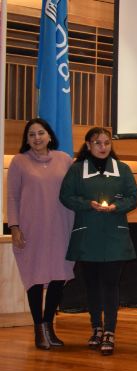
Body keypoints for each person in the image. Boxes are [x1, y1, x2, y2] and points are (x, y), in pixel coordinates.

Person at [59, 127, 137, 356]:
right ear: (88, 144)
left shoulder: (122, 169)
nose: (103, 147)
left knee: (111, 284)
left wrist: (116, 206)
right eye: (97, 143)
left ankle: (110, 331)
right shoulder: (77, 170)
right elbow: (65, 196)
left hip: (115, 236)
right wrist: (87, 204)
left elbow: (133, 198)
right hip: (88, 236)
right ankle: (96, 327)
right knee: (92, 285)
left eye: (106, 143)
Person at [7, 118, 75, 350]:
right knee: (35, 277)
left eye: (41, 133)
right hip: (31, 229)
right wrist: (14, 226)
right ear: (26, 139)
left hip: (61, 226)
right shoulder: (19, 162)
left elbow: (75, 190)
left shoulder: (64, 159)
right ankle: (39, 329)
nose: (37, 138)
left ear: (49, 135)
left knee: (58, 275)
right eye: (32, 134)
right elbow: (12, 197)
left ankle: (49, 326)